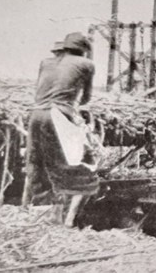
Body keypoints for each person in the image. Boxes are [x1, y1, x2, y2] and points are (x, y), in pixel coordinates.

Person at [23, 32, 99, 227]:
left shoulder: (45, 62)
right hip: (60, 116)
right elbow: (85, 99)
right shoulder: (86, 64)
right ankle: (69, 221)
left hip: (36, 115)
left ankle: (40, 214)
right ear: (83, 50)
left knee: (38, 163)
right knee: (82, 164)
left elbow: (39, 91)